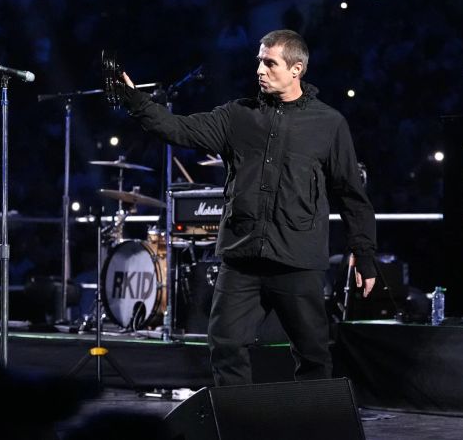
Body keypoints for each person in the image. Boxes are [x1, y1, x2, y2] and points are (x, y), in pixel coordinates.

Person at [118, 29, 377, 386]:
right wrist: (136, 101)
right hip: (242, 259)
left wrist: (363, 254)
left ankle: (316, 426)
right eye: (259, 60)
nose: (260, 69)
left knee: (313, 354)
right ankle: (238, 425)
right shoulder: (237, 116)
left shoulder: (329, 124)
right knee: (225, 346)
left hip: (297, 261)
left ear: (296, 69)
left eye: (270, 63)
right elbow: (179, 129)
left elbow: (351, 194)